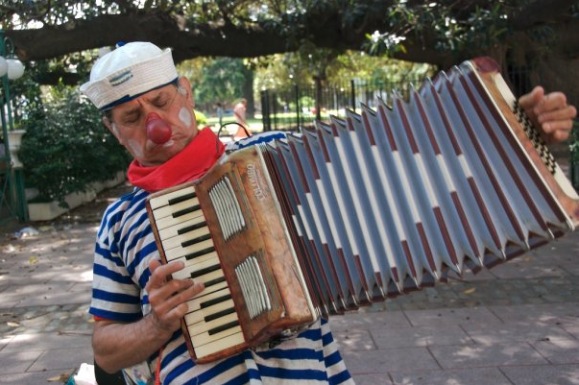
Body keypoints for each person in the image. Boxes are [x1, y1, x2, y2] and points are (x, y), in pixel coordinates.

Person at [80, 41, 576, 385]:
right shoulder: (119, 222)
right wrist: (157, 324)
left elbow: (399, 162)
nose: (157, 125)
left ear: (185, 91)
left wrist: (511, 130)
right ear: (113, 131)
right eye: (132, 117)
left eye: (162, 102)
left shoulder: (273, 156)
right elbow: (105, 349)